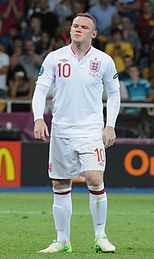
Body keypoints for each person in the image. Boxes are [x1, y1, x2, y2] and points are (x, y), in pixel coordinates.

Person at [32, 12, 120, 254]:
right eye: (74, 26)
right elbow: (40, 91)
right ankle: (62, 240)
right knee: (60, 183)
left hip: (91, 129)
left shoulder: (104, 60)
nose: (77, 29)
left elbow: (114, 94)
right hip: (61, 129)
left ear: (94, 33)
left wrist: (110, 124)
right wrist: (39, 118)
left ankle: (101, 236)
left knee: (94, 178)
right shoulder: (55, 58)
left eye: (83, 27)